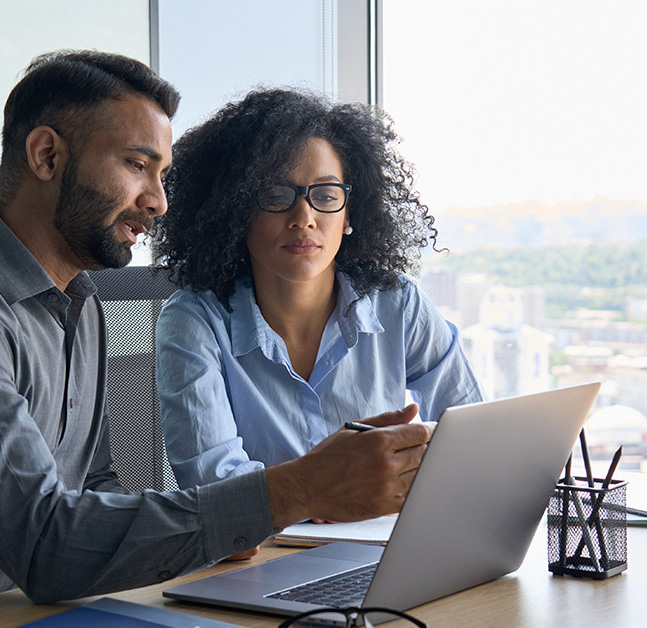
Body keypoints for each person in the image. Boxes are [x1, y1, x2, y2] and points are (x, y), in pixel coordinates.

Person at [0, 51, 433, 628]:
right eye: (136, 165)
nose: (159, 202)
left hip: (42, 611)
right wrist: (294, 490)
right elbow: (47, 548)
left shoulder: (79, 303)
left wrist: (220, 524)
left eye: (162, 173)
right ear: (46, 156)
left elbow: (93, 491)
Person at [152, 89, 484, 495]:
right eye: (276, 194)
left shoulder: (398, 304)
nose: (304, 218)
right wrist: (331, 493)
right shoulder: (194, 321)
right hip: (262, 554)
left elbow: (473, 435)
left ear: (349, 214)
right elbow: (216, 488)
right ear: (237, 210)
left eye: (326, 196)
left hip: (384, 545)